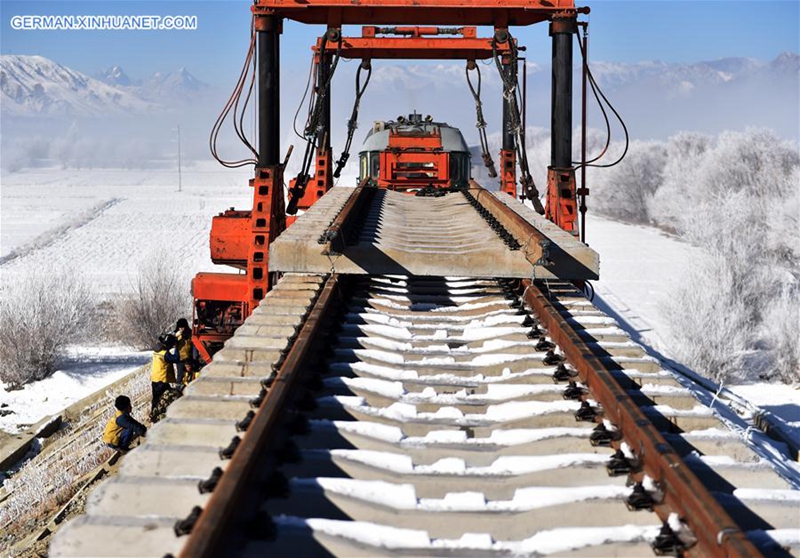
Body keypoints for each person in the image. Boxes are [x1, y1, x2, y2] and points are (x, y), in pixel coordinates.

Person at [151, 334, 180, 420]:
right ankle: (158, 416)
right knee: (167, 396)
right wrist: (177, 348)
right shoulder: (165, 354)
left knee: (156, 399)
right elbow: (176, 358)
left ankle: (153, 415)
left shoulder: (157, 351)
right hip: (162, 379)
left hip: (155, 378)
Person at [174, 318, 193, 385]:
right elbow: (173, 343)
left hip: (189, 358)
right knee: (180, 376)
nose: (181, 329)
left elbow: (192, 346)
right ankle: (179, 390)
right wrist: (177, 335)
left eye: (182, 327)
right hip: (180, 359)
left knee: (190, 376)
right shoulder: (177, 335)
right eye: (179, 327)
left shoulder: (190, 334)